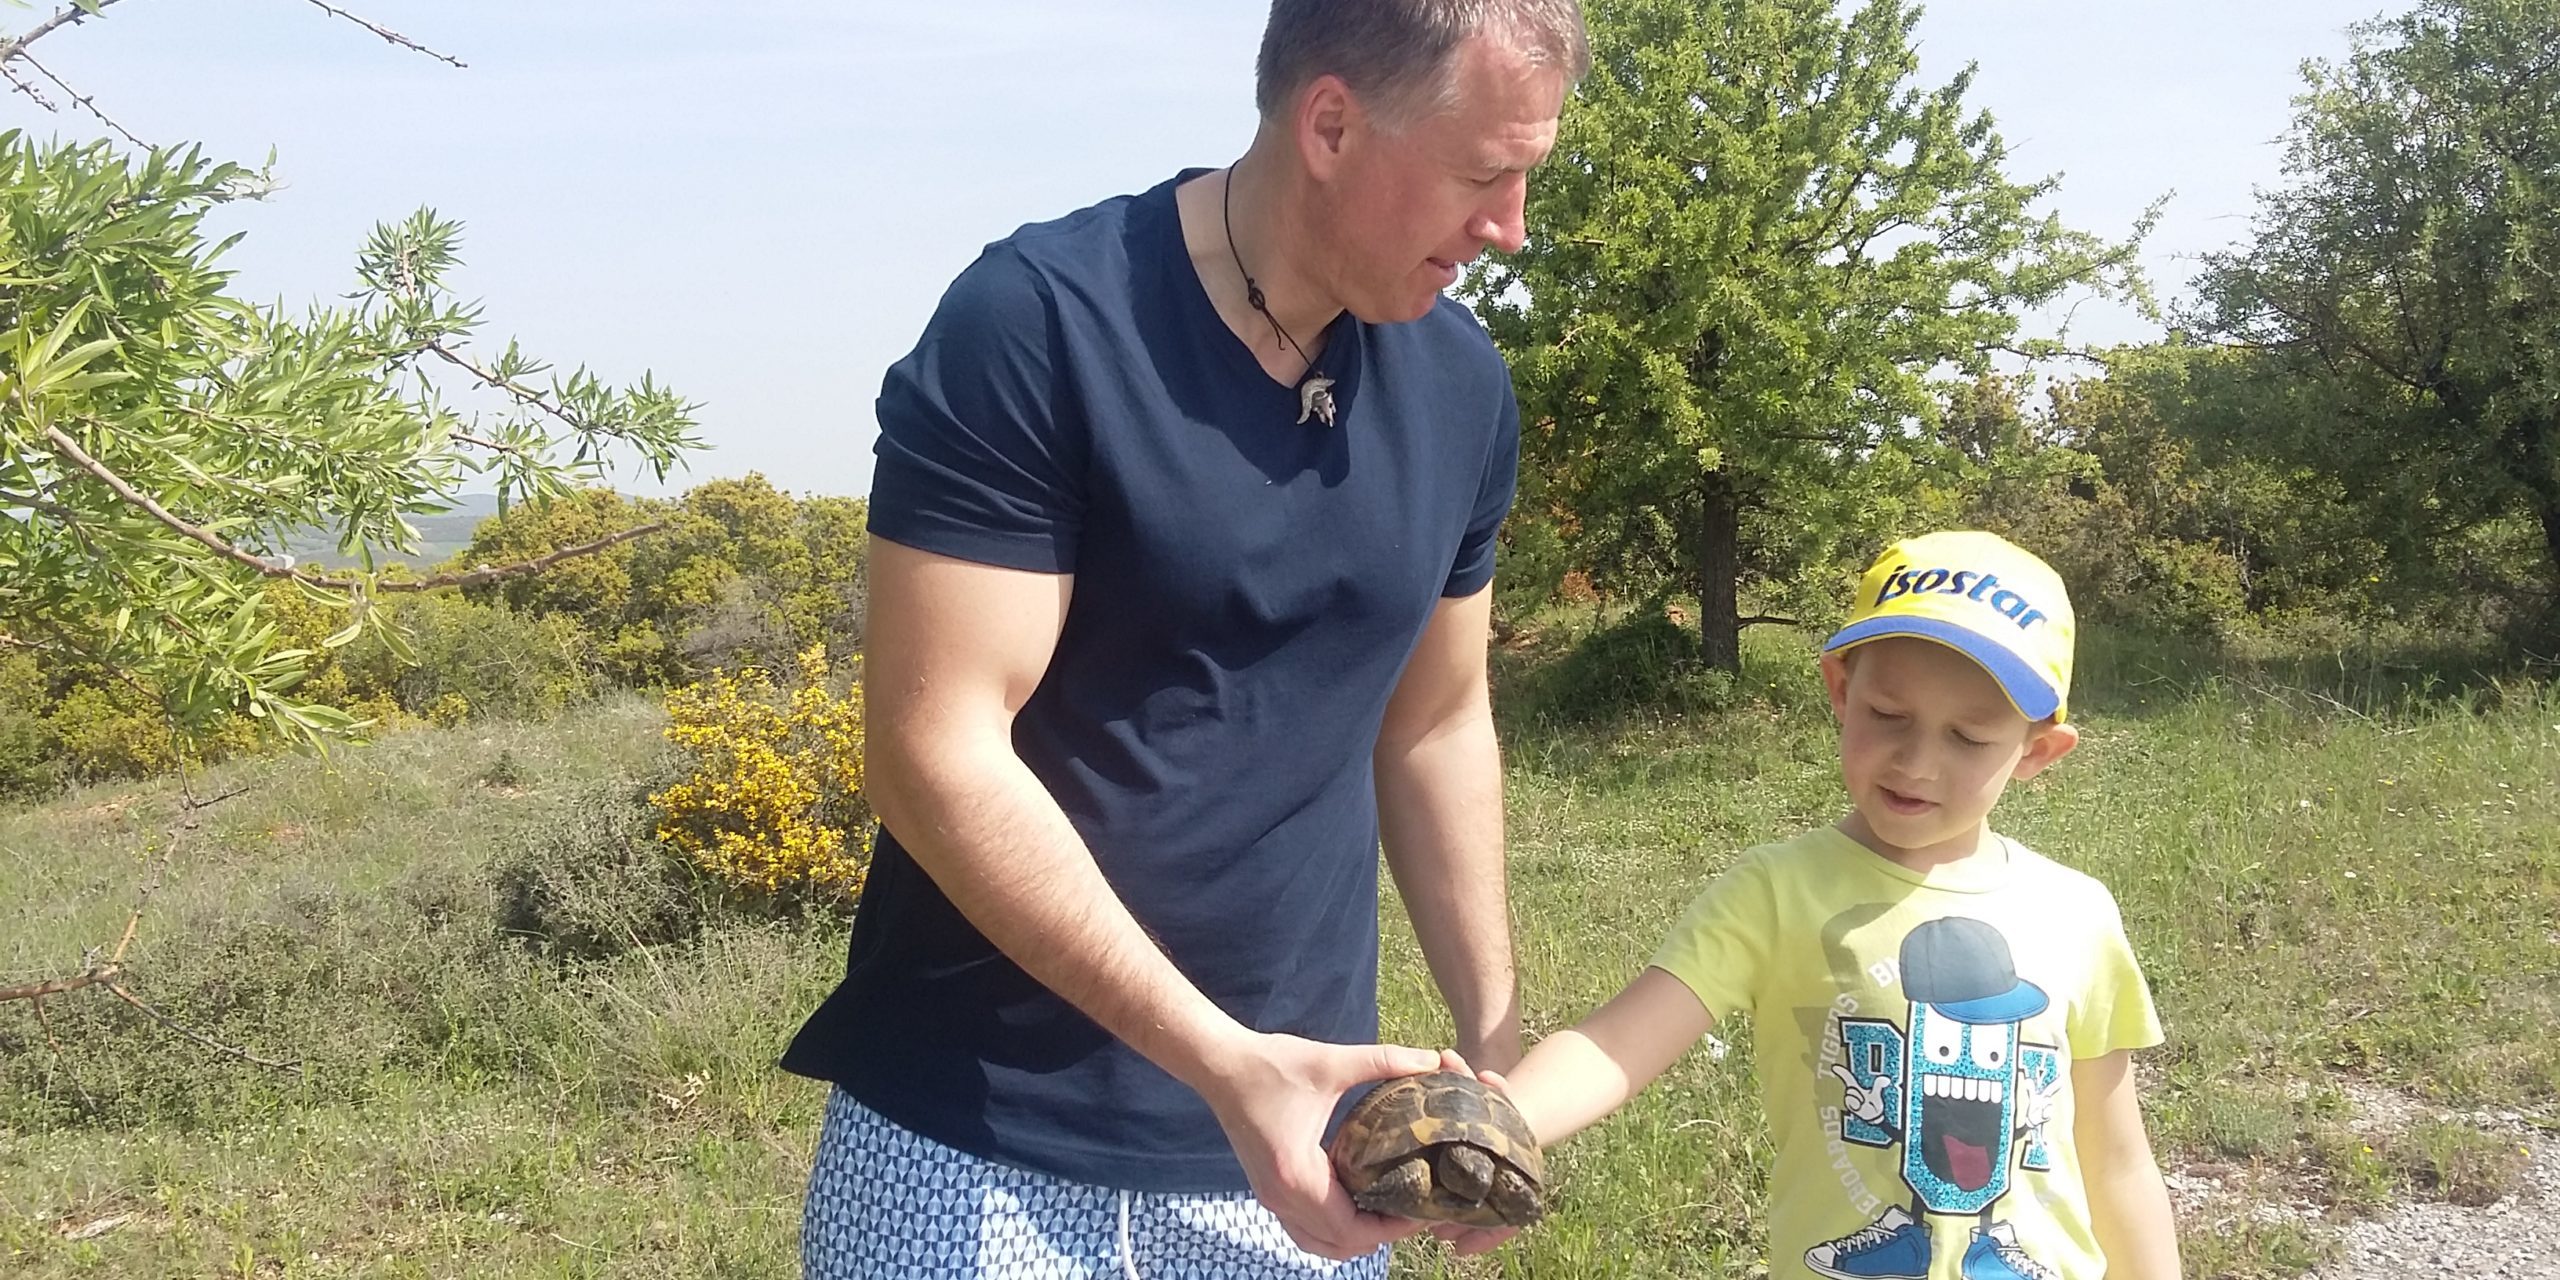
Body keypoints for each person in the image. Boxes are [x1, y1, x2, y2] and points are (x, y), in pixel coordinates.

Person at [782, 2, 1590, 1276]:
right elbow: (932, 751)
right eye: (1485, 174)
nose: (1509, 228)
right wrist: (1226, 1065)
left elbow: (1433, 723)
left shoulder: (1462, 390)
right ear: (1329, 123)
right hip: (979, 1125)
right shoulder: (1039, 324)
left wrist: (1491, 1033)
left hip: (1301, 1145)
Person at [1493, 531, 2182, 1280]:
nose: (1918, 763)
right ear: (1841, 691)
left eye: (1969, 737)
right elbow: (1617, 1044)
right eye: (1889, 713)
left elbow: (2117, 1164)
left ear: (2035, 753)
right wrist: (1494, 1123)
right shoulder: (1775, 894)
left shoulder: (2077, 914)